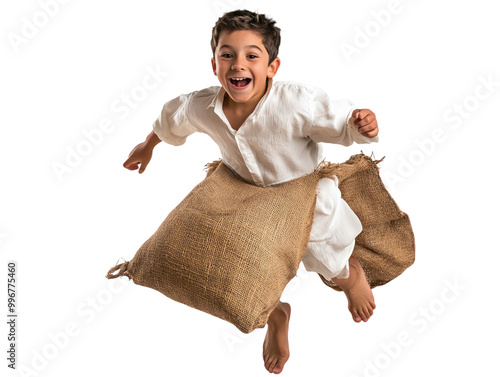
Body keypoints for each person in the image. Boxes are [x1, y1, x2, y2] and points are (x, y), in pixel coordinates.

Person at [123, 9, 379, 374]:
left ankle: (350, 277)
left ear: (272, 67)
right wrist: (148, 145)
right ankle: (276, 315)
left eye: (251, 56)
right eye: (227, 54)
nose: (237, 64)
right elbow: (172, 118)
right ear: (214, 65)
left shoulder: (295, 103)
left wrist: (360, 124)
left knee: (328, 260)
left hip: (300, 198)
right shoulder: (204, 105)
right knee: (225, 267)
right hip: (240, 194)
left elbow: (336, 120)